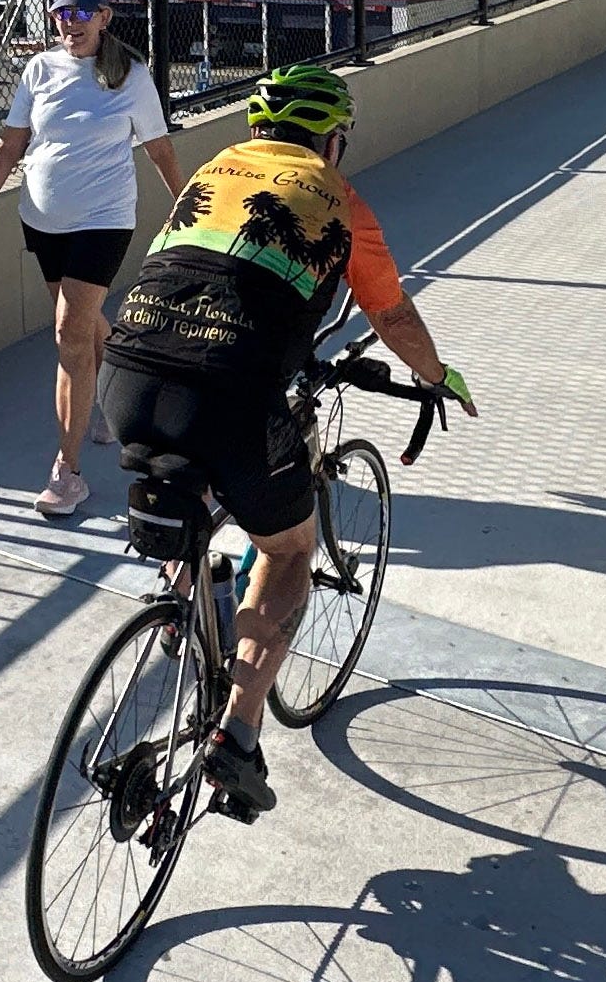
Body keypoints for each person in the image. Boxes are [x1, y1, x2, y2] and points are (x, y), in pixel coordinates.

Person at [98, 64, 473, 822]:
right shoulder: (340, 201)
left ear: (258, 131)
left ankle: (190, 597)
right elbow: (393, 318)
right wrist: (439, 378)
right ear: (331, 141)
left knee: (194, 477)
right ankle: (237, 734)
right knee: (288, 548)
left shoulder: (212, 171)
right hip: (232, 393)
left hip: (125, 372)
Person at [0, 0, 184, 520]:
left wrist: (185, 208)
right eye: (63, 13)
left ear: (104, 17)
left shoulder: (131, 75)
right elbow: (10, 144)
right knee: (82, 324)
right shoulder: (38, 69)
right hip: (43, 222)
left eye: (83, 12)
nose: (71, 22)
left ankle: (68, 472)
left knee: (69, 332)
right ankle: (113, 397)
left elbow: (158, 148)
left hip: (104, 220)